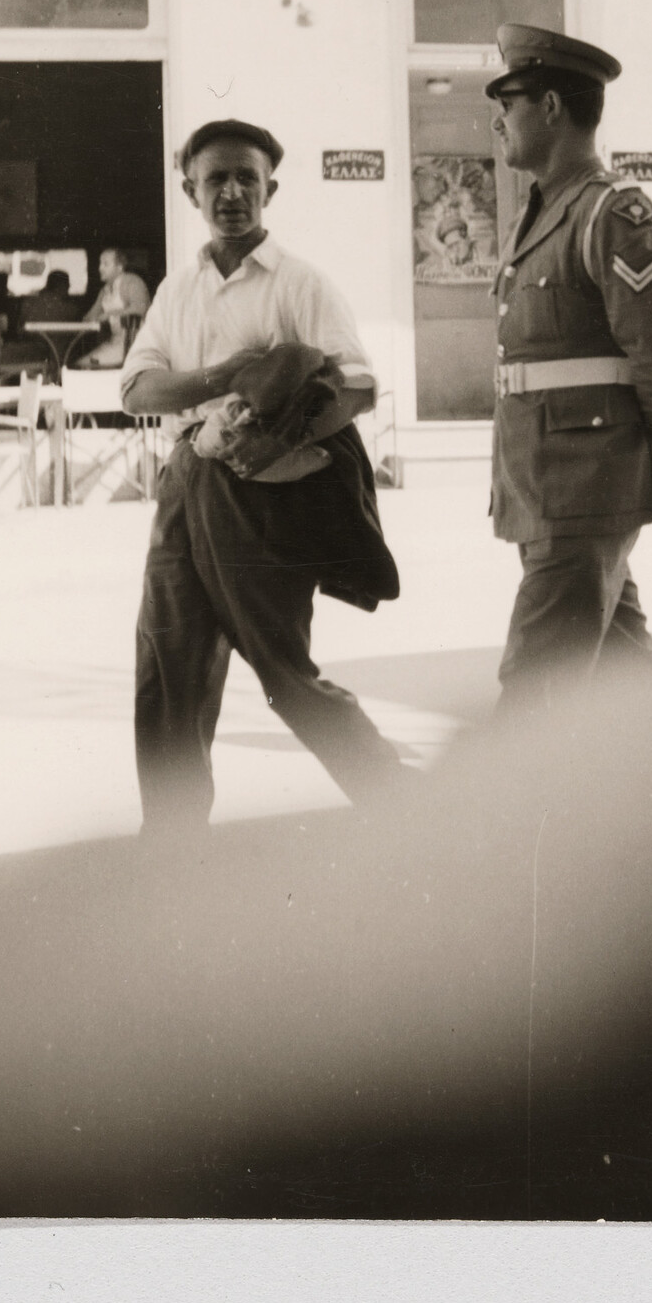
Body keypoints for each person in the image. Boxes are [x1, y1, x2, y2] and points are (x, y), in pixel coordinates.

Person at [122, 120, 407, 836]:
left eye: (247, 178)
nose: (232, 193)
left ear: (270, 189)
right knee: (168, 667)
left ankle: (405, 808)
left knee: (283, 671)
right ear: (190, 189)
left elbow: (358, 387)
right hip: (185, 482)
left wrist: (273, 440)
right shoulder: (177, 290)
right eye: (216, 178)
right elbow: (135, 389)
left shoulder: (300, 283)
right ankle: (172, 843)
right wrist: (226, 376)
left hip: (263, 494)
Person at [483, 24, 652, 714]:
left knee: (536, 689)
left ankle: (515, 825)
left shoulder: (611, 211)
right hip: (546, 480)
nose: (499, 122)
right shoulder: (541, 214)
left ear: (550, 107)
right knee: (624, 672)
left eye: (509, 104)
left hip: (587, 483)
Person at [86, 247, 152, 368]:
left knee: (86, 366)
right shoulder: (105, 290)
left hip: (136, 345)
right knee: (83, 363)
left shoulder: (132, 282)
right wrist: (88, 319)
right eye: (100, 263)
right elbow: (92, 315)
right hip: (116, 343)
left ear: (119, 267)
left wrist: (109, 314)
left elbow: (140, 308)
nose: (100, 268)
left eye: (105, 264)